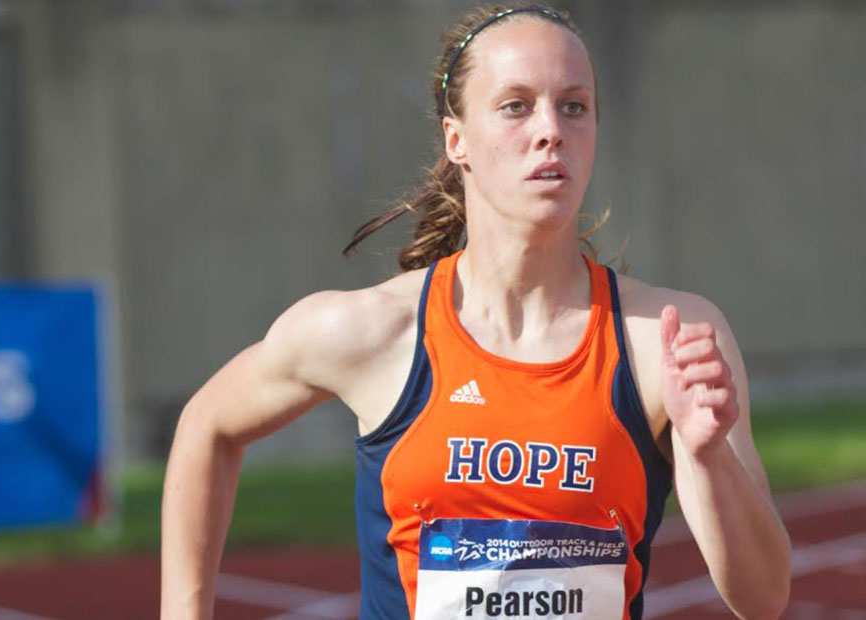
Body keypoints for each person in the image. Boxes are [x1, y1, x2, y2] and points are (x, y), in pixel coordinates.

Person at [161, 3, 791, 618]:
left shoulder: (667, 341)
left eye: (574, 106)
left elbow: (763, 599)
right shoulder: (377, 331)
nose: (551, 130)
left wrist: (708, 457)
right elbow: (206, 426)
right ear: (456, 139)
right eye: (516, 106)